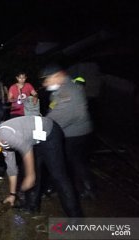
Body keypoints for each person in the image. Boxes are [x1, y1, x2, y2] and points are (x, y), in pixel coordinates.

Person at [0, 116, 83, 217]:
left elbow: (26, 148)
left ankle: (76, 217)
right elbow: (12, 170)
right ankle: (31, 207)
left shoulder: (3, 134)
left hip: (50, 133)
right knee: (31, 170)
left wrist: (30, 176)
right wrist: (12, 195)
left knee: (58, 175)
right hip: (36, 140)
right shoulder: (3, 145)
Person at [40, 63, 95, 199]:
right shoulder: (66, 87)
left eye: (48, 79)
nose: (45, 83)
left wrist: (40, 128)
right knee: (77, 160)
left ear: (59, 76)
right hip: (80, 131)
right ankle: (88, 188)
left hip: (72, 134)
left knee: (61, 161)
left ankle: (60, 188)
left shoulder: (66, 93)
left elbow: (60, 117)